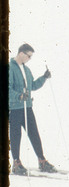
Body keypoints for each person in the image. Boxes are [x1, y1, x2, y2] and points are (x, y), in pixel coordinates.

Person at [8, 44, 58, 175]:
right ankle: (16, 162)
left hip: (27, 107)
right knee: (16, 135)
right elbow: (7, 89)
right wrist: (19, 96)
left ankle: (41, 160)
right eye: (28, 56)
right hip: (15, 108)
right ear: (21, 53)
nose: (29, 59)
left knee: (34, 133)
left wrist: (44, 77)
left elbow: (33, 86)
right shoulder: (10, 68)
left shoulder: (27, 70)